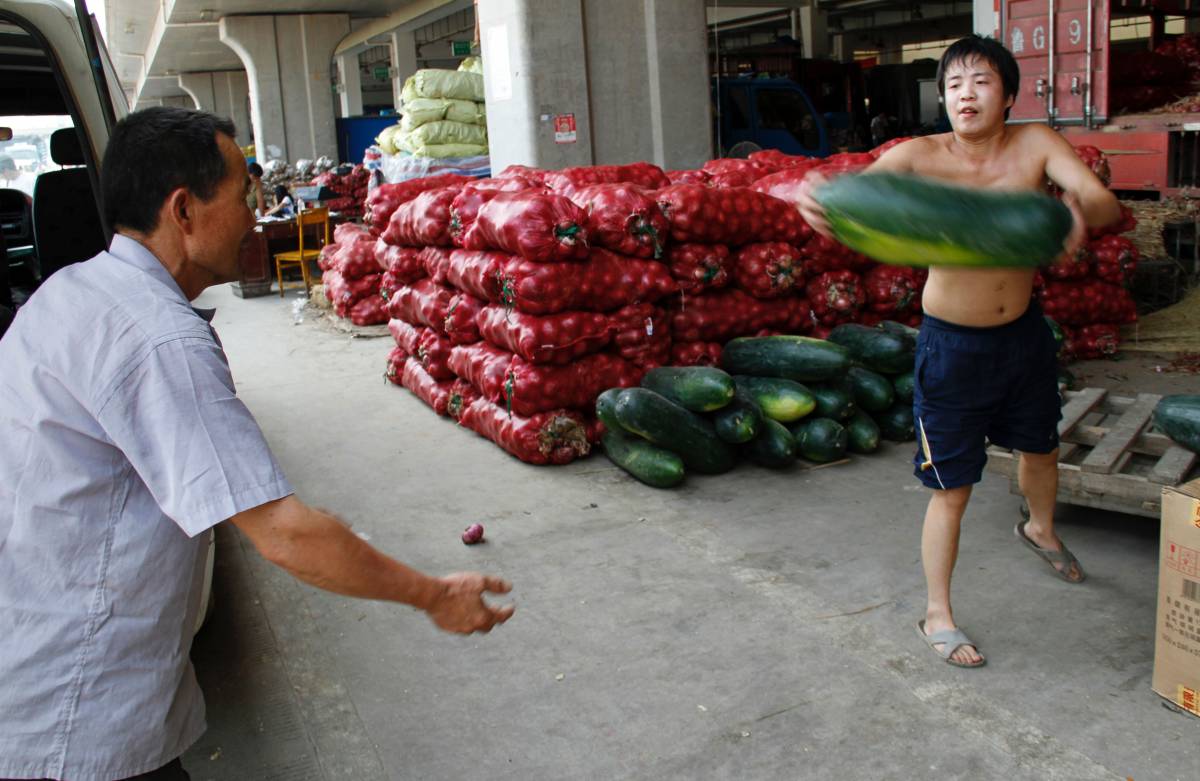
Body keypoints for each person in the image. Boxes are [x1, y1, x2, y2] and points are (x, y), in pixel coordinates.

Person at [0, 107, 514, 781]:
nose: (254, 214)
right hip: (77, 716)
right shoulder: (159, 340)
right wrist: (432, 594)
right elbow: (288, 534)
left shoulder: (67, 292)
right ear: (183, 210)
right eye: (242, 193)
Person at [798, 35, 1120, 668]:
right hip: (952, 347)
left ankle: (1040, 528)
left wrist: (1080, 214)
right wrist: (818, 200)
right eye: (953, 85)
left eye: (980, 82)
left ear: (1007, 93)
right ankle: (937, 613)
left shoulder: (1036, 145)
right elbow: (852, 196)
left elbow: (1101, 200)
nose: (965, 95)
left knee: (1042, 447)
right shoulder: (918, 155)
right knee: (953, 487)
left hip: (1023, 335)